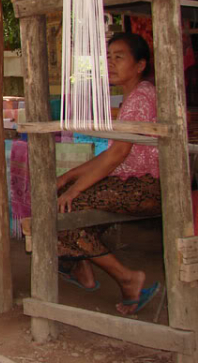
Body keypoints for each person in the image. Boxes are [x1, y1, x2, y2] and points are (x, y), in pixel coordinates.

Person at [56, 32, 161, 316]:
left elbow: (117, 155)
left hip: (145, 187)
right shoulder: (136, 95)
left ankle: (127, 278)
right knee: (60, 197)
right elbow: (113, 153)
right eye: (108, 57)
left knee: (66, 211)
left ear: (140, 65)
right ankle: (80, 267)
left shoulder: (140, 98)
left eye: (119, 57)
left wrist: (74, 189)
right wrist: (69, 177)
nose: (111, 63)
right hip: (134, 181)